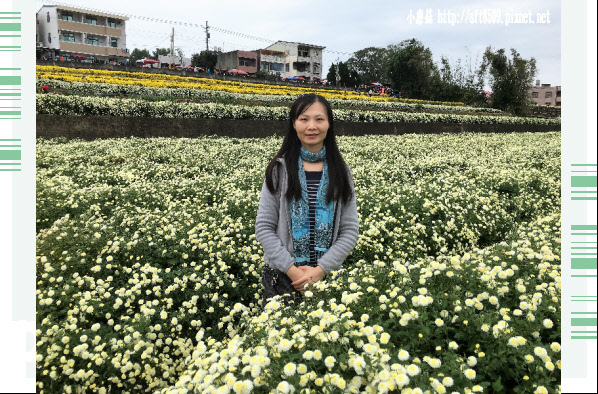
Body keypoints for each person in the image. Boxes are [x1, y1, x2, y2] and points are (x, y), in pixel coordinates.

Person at [255, 94, 359, 307]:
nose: (312, 126)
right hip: (282, 278)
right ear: (294, 124)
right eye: (304, 119)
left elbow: (349, 231)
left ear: (329, 124)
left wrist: (320, 271)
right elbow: (264, 227)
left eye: (319, 119)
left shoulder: (341, 172)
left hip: (326, 278)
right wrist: (293, 271)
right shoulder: (279, 171)